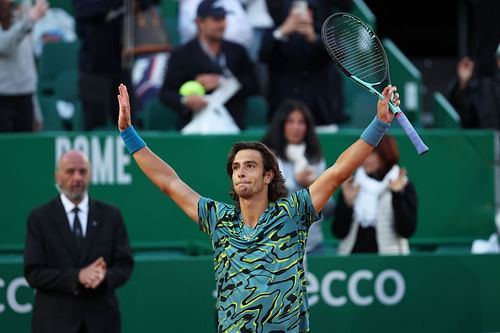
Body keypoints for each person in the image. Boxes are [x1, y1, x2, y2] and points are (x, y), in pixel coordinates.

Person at [117, 82, 399, 331]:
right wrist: (128, 133)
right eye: (236, 167)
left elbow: (338, 172)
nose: (240, 172)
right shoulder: (219, 219)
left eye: (250, 166)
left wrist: (379, 123)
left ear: (268, 175)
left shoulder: (293, 212)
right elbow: (169, 182)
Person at [24, 149, 134, 333]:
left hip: (102, 322)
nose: (77, 178)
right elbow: (33, 272)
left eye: (82, 171)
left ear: (90, 175)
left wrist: (104, 276)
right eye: (70, 171)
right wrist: (77, 277)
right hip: (54, 323)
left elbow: (125, 265)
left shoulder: (111, 216)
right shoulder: (39, 218)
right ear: (57, 176)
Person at [159, 0, 258, 131]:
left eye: (223, 18)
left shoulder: (237, 51)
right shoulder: (181, 54)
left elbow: (253, 85)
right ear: (200, 22)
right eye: (216, 19)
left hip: (232, 126)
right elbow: (166, 93)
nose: (222, 24)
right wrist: (185, 101)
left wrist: (224, 82)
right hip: (193, 127)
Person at [259, 0, 346, 127]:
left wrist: (313, 38)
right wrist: (281, 32)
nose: (302, 14)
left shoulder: (324, 31)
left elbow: (340, 56)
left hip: (320, 112)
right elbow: (263, 56)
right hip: (283, 113)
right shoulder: (274, 32)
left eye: (308, 9)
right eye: (297, 9)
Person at [261, 98, 332, 254]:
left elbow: (329, 209)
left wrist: (316, 188)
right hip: (277, 247)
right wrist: (298, 183)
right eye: (290, 122)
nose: (296, 127)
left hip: (313, 245)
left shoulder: (315, 159)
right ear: (281, 125)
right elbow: (266, 202)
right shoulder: (266, 157)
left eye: (301, 122)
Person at [331, 134, 418, 255]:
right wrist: (347, 204)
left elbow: (407, 231)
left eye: (371, 153)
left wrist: (396, 195)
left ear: (385, 155)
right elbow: (338, 232)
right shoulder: (352, 185)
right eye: (362, 153)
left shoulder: (403, 185)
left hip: (390, 264)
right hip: (351, 263)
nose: (365, 158)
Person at [72, 0, 151, 130]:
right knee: (95, 125)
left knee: (128, 123)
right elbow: (85, 10)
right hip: (94, 67)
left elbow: (148, 4)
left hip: (123, 64)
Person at [0, 0, 48, 132]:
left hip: (25, 98)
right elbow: (4, 46)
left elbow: (28, 65)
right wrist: (30, 20)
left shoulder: (23, 17)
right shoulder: (26, 22)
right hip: (3, 97)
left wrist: (36, 110)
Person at [447, 43, 500, 129]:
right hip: (488, 141)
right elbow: (465, 113)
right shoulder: (486, 88)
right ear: (498, 61)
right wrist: (463, 83)